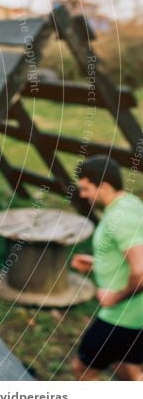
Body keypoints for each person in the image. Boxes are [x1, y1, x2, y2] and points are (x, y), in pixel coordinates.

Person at [70, 156, 143, 381]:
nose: (82, 195)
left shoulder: (120, 219)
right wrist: (97, 263)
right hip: (135, 314)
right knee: (127, 366)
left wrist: (115, 297)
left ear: (104, 187)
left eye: (85, 189)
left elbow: (141, 272)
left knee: (82, 370)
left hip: (122, 316)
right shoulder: (129, 203)